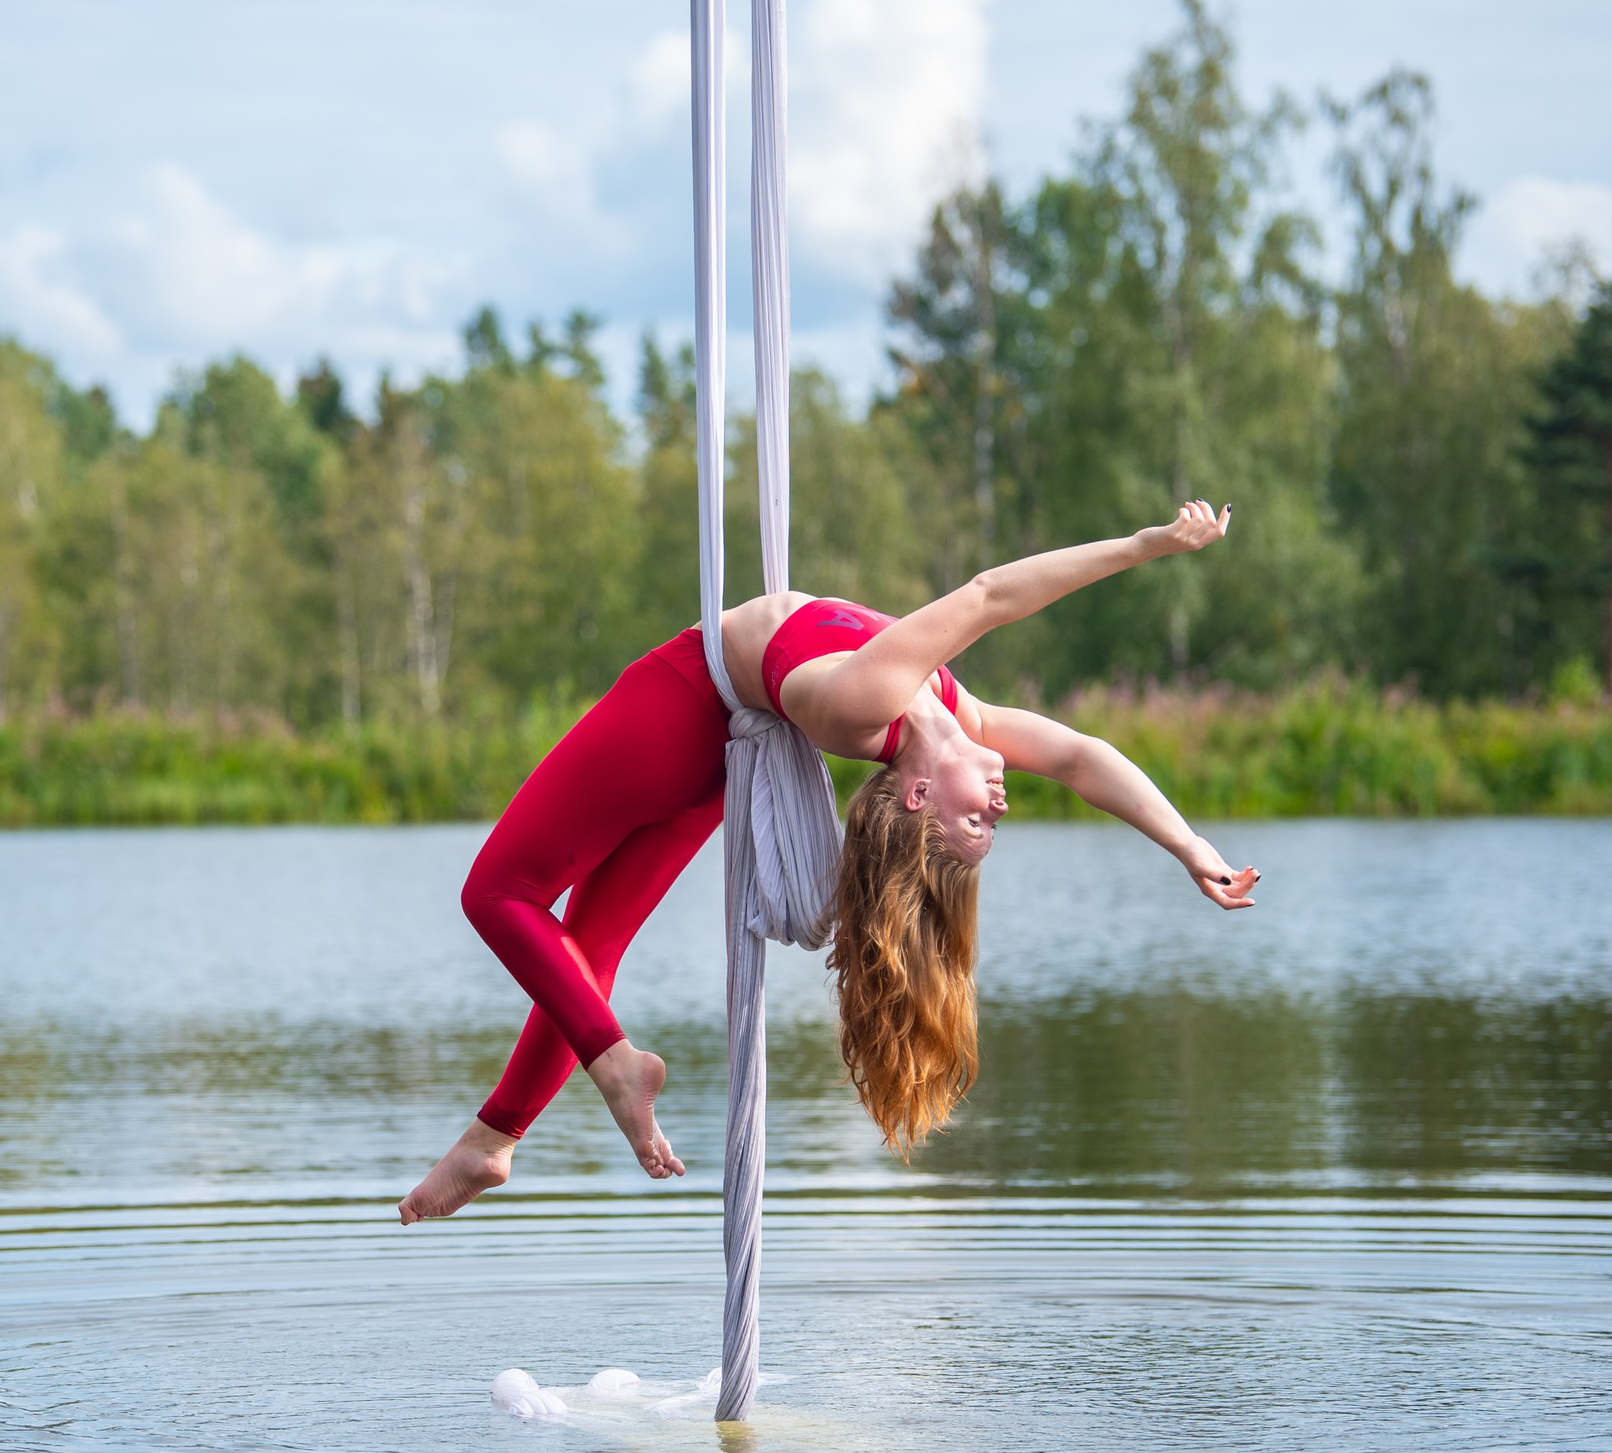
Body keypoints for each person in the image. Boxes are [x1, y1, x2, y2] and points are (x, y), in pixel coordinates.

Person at [399, 500, 1258, 1224]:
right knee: (588, 949)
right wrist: (1190, 846)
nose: (998, 806)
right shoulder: (962, 715)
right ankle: (496, 1137)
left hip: (687, 705)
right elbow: (1081, 757)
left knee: (497, 892)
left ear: (919, 796)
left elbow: (992, 593)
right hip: (716, 762)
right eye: (990, 819)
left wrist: (1149, 545)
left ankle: (614, 1065)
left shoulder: (869, 704)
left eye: (974, 823)